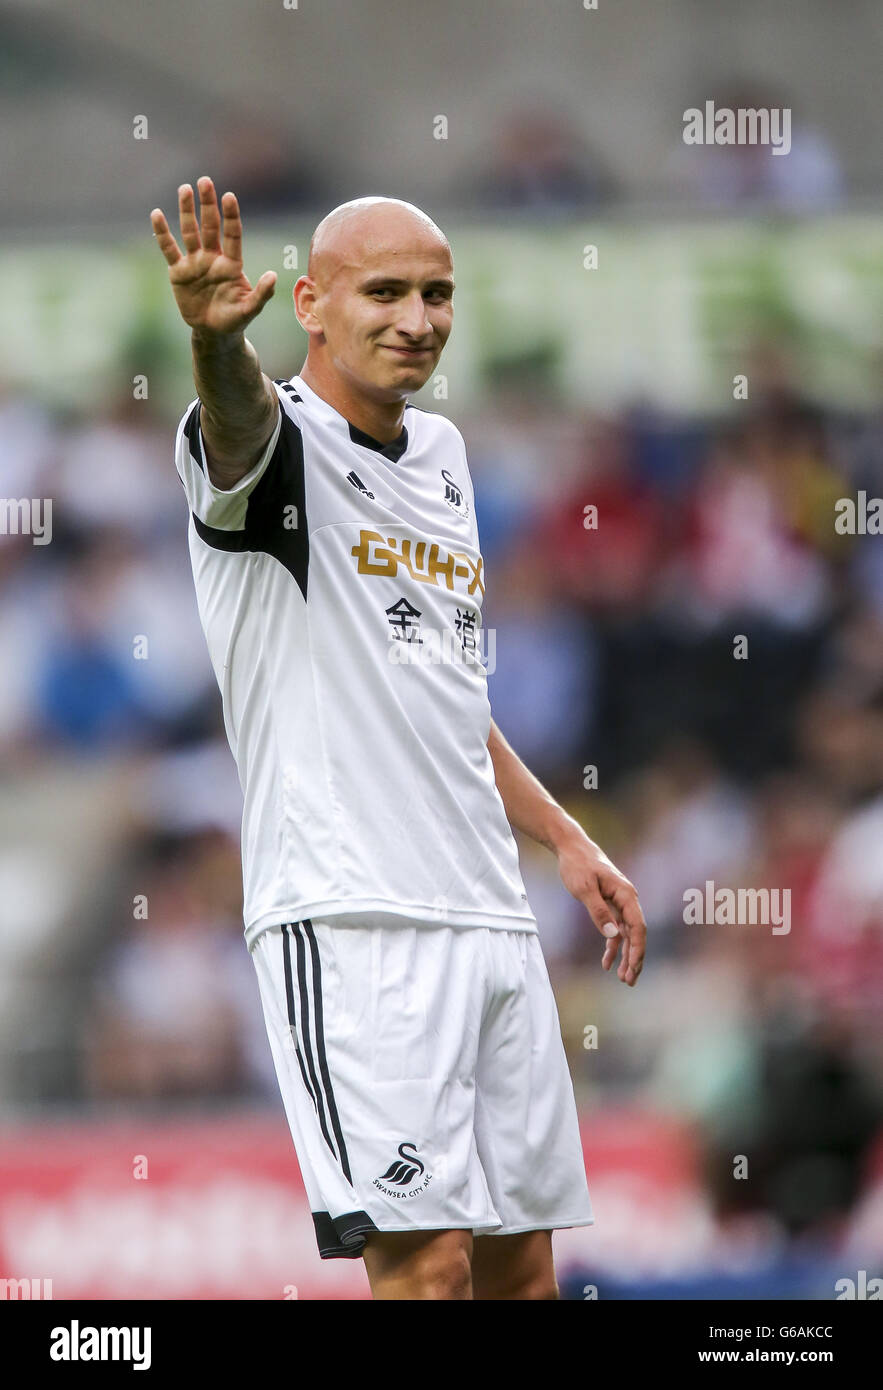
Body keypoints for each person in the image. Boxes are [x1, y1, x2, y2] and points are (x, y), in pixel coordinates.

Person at [150, 177, 647, 1300]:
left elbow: (445, 694)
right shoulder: (271, 450)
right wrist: (213, 346)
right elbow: (237, 423)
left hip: (488, 912)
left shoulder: (444, 457)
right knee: (426, 1265)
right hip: (355, 917)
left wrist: (565, 839)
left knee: (523, 1272)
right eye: (383, 292)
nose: (414, 319)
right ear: (311, 303)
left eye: (437, 294)